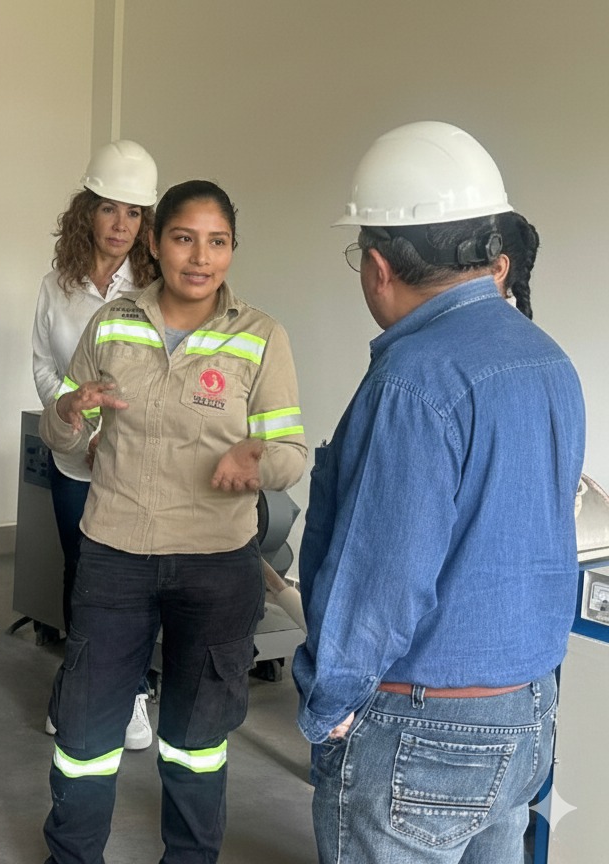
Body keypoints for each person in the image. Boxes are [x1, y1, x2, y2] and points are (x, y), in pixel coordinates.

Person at [293, 121, 584, 864]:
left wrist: (330, 703)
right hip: (527, 711)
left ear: (378, 266)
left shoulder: (413, 380)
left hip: (420, 730)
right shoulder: (549, 359)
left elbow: (380, 576)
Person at [39, 179, 307, 863]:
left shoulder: (260, 336)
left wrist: (257, 460)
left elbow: (291, 453)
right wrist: (68, 412)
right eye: (185, 238)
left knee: (197, 738)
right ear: (156, 244)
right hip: (114, 554)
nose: (200, 257)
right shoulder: (113, 323)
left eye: (217, 242)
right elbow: (63, 430)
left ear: (233, 250)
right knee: (86, 734)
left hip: (217, 564)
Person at [31, 139, 159, 750]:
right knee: (80, 573)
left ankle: (132, 692)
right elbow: (43, 366)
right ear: (88, 212)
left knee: (130, 580)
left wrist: (113, 433)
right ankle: (79, 687)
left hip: (135, 460)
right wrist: (78, 421)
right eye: (110, 208)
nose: (120, 224)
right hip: (72, 460)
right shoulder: (57, 286)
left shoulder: (156, 288)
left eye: (134, 212)